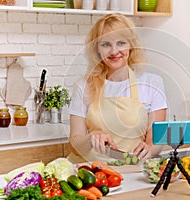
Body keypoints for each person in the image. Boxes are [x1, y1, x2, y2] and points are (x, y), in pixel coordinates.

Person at [67, 13, 167, 164]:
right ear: (97, 49)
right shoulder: (83, 86)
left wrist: (149, 149)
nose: (114, 51)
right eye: (106, 44)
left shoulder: (152, 83)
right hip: (93, 171)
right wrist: (91, 137)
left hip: (133, 169)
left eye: (121, 43)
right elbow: (76, 144)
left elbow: (155, 140)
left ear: (131, 45)